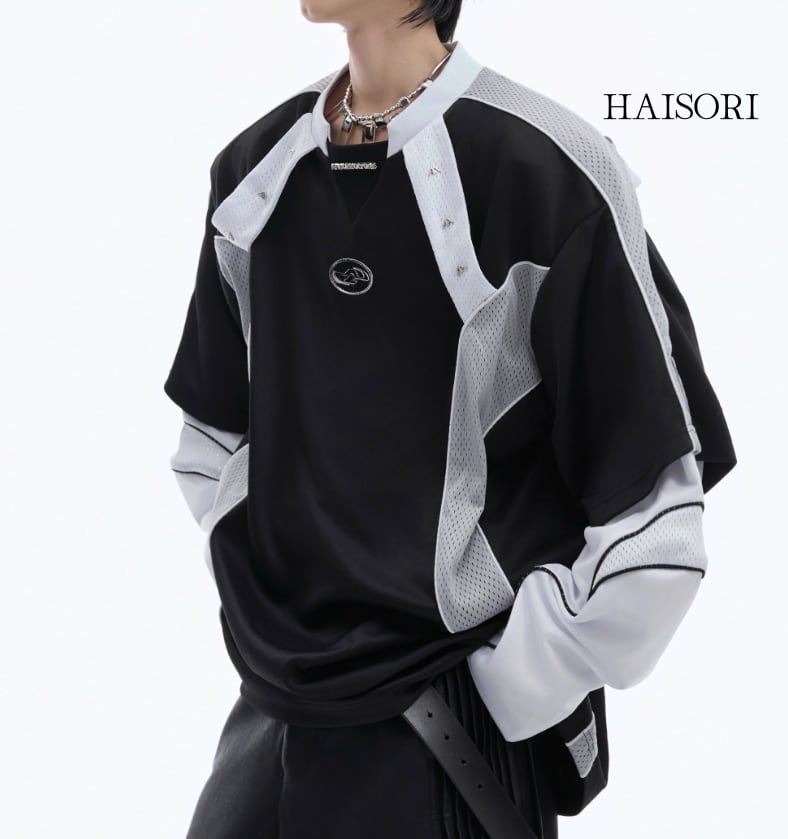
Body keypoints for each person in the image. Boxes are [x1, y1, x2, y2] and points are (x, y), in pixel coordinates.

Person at [163, 1, 737, 837]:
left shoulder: (548, 168)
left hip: (446, 738)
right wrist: (270, 599)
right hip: (267, 724)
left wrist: (511, 678)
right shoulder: (254, 172)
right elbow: (210, 441)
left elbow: (656, 522)